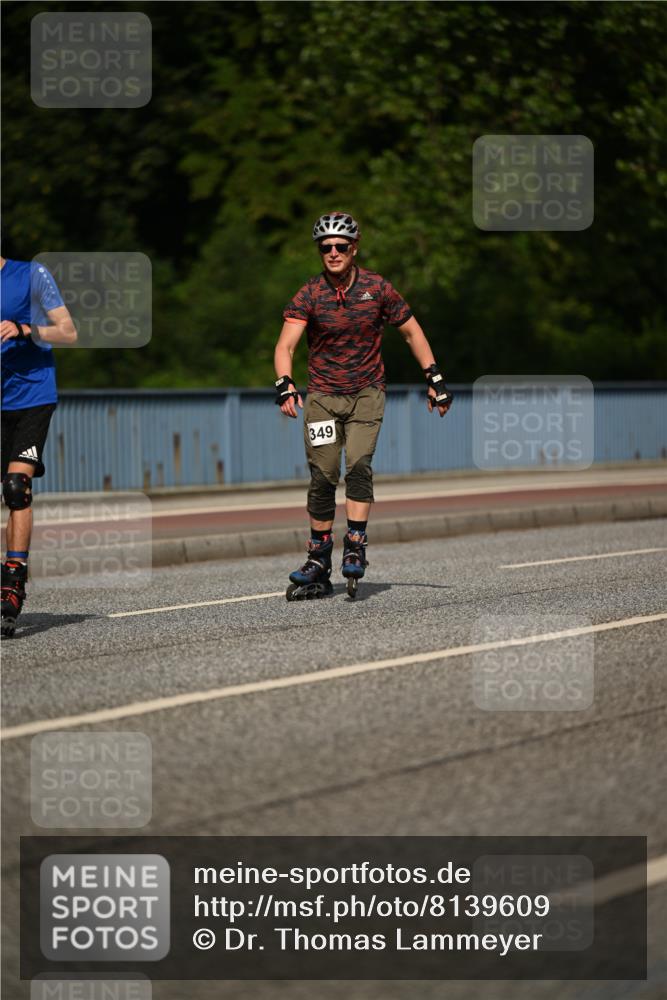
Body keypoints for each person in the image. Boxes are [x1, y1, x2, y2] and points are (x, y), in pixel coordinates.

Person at [273, 212, 453, 600]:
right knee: (323, 475)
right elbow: (285, 345)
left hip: (367, 394)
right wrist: (285, 385)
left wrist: (434, 378)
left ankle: (355, 545)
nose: (333, 252)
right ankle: (318, 558)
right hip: (323, 398)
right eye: (325, 247)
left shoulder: (377, 288)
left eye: (341, 246)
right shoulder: (310, 293)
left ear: (354, 248)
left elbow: (411, 332)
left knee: (357, 465)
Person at [1, 256, 77, 636]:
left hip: (33, 397)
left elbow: (68, 332)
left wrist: (24, 329)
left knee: (16, 488)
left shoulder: (31, 275)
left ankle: (13, 583)